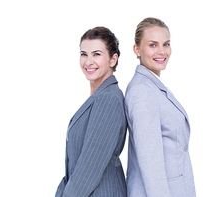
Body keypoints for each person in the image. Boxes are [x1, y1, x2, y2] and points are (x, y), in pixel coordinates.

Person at [125, 17, 196, 197]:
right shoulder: (143, 92)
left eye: (166, 44)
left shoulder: (152, 85)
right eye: (153, 45)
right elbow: (151, 165)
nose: (162, 51)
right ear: (137, 49)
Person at [55, 27, 127, 197]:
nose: (88, 62)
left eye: (96, 54)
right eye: (84, 54)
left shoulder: (107, 99)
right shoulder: (100, 96)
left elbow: (89, 168)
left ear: (113, 59)